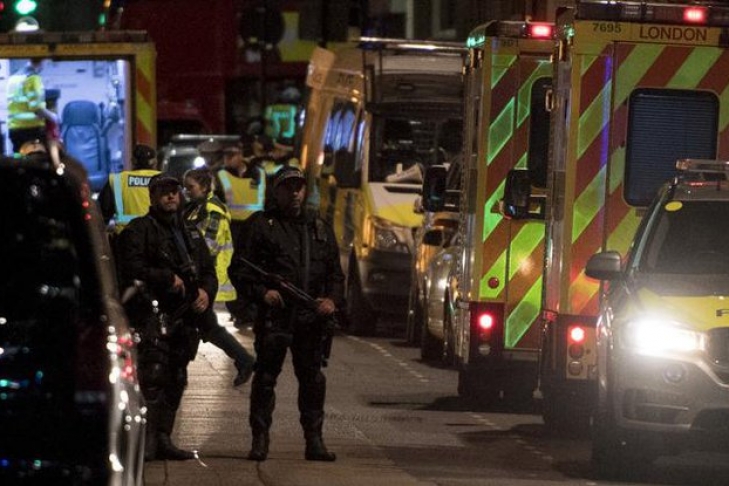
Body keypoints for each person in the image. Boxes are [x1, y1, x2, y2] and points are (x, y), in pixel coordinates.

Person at [116, 174, 251, 461]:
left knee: (176, 378)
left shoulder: (190, 233)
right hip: (153, 317)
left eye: (175, 192)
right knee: (153, 378)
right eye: (164, 192)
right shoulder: (139, 230)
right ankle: (147, 442)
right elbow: (130, 268)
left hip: (186, 319)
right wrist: (166, 277)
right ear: (153, 197)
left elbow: (208, 270)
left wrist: (206, 292)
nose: (171, 197)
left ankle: (164, 438)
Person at [229, 166, 344, 462]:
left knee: (313, 381)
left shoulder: (319, 228)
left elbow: (335, 274)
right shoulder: (261, 225)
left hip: (310, 319)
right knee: (265, 379)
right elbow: (239, 269)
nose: (294, 193)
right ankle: (260, 439)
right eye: (288, 187)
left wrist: (331, 300)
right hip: (276, 317)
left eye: (299, 187)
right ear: (276, 191)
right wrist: (262, 293)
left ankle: (314, 441)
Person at [182, 167, 256, 387]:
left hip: (207, 278)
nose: (186, 192)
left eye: (191, 187)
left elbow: (207, 247)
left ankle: (243, 360)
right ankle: (243, 360)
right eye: (185, 188)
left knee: (197, 324)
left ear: (205, 187)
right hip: (198, 277)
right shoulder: (196, 207)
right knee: (203, 324)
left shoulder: (212, 211)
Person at [217, 142, 266, 328]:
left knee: (255, 270)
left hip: (257, 228)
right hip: (233, 229)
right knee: (234, 270)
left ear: (241, 155)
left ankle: (252, 310)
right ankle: (239, 311)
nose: (227, 159)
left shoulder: (259, 173)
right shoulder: (222, 175)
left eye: (232, 155)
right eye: (225, 155)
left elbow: (268, 199)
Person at [98, 143, 161, 234]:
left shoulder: (118, 180)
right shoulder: (163, 178)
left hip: (126, 235)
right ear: (154, 162)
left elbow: (101, 214)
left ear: (133, 161)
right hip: (157, 235)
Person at [6, 58, 56, 154]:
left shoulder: (13, 78)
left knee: (18, 157)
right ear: (42, 61)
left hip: (14, 130)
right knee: (41, 159)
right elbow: (37, 108)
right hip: (31, 130)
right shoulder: (32, 78)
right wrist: (53, 117)